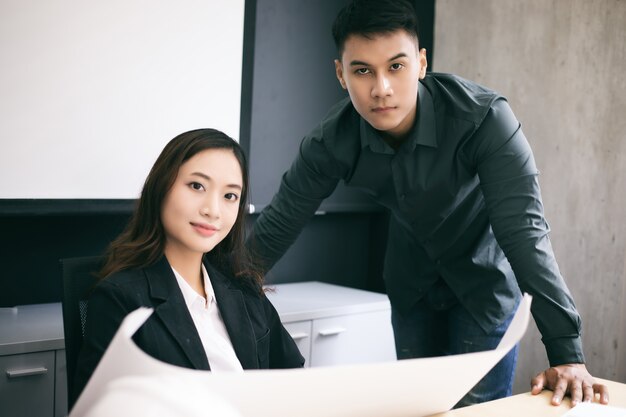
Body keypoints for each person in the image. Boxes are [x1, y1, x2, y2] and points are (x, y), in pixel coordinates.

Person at [248, 0, 609, 408]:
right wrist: (223, 290)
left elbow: (524, 234)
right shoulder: (332, 141)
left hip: (484, 287)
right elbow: (280, 221)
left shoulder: (485, 120)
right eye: (362, 70)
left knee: (474, 412)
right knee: (417, 410)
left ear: (421, 63)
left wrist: (567, 353)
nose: (380, 88)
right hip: (411, 285)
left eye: (396, 67)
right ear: (341, 74)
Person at [73, 129, 304, 406]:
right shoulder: (119, 298)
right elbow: (98, 409)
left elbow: (294, 379)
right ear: (161, 188)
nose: (213, 210)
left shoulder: (244, 288)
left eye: (230, 196)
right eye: (197, 186)